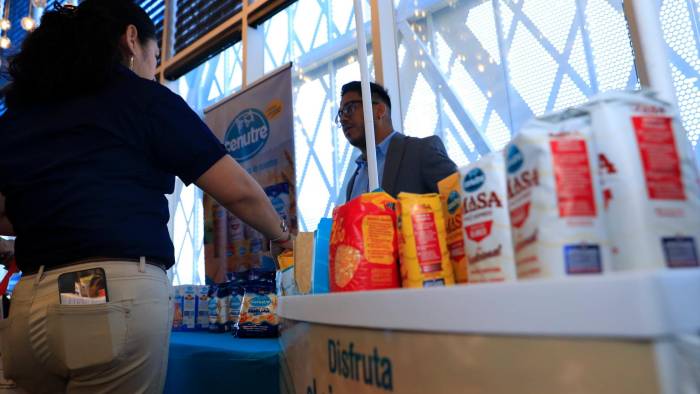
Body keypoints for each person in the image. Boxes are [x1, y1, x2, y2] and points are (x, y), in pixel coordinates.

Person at [0, 1, 292, 393]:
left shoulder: (19, 116)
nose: (154, 70)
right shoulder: (141, 98)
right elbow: (238, 192)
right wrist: (283, 236)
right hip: (102, 296)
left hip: (28, 303)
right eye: (155, 57)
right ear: (131, 39)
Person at [338, 81, 457, 202]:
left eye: (350, 108)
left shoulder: (421, 152)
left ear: (379, 110)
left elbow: (462, 200)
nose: (343, 119)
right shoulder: (353, 182)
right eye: (340, 113)